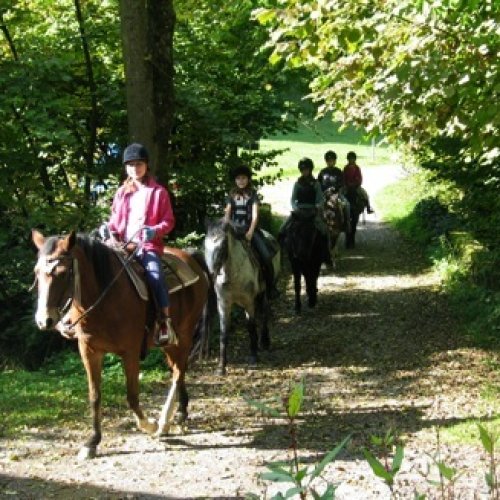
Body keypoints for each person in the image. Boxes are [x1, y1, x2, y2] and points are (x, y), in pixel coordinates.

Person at [105, 143, 176, 346]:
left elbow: (169, 221)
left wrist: (155, 231)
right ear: (126, 168)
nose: (135, 169)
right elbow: (115, 219)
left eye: (139, 164)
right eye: (131, 165)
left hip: (146, 247)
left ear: (146, 166)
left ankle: (165, 321)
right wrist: (108, 230)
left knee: (155, 275)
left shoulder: (158, 192)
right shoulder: (121, 192)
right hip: (120, 246)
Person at [224, 164, 280, 299]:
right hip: (234, 232)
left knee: (266, 256)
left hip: (250, 231)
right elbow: (227, 214)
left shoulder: (253, 195)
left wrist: (250, 232)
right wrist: (227, 229)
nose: (241, 181)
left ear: (248, 179)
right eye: (238, 178)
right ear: (235, 180)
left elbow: (255, 216)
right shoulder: (231, 195)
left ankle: (271, 287)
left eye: (243, 178)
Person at [281, 157, 331, 265]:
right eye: (303, 170)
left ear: (310, 170)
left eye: (307, 169)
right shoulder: (297, 184)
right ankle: (283, 253)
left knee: (324, 230)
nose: (305, 172)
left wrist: (317, 206)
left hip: (312, 211)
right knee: (283, 228)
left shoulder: (316, 184)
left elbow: (320, 199)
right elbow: (293, 199)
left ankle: (327, 256)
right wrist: (295, 207)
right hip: (299, 211)